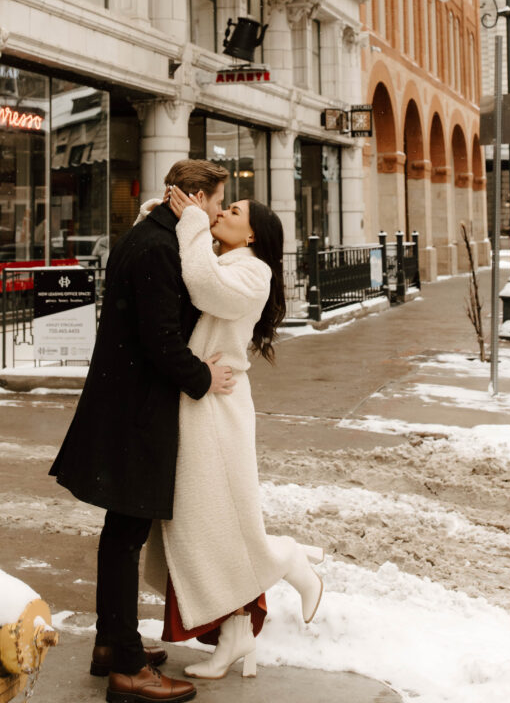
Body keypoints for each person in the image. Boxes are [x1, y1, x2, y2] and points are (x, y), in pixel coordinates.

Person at [49, 159, 234, 703]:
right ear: (195, 198)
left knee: (121, 534)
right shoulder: (157, 247)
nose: (221, 212)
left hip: (124, 404)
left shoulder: (149, 234)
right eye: (218, 201)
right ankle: (128, 670)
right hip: (136, 412)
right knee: (125, 536)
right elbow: (160, 337)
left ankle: (113, 645)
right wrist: (204, 376)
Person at [141, 185, 324, 681]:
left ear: (253, 234)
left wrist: (194, 222)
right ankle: (235, 633)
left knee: (214, 518)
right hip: (203, 398)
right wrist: (166, 213)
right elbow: (184, 268)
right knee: (205, 520)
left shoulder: (253, 270)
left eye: (235, 211)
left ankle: (284, 558)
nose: (222, 211)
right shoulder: (226, 260)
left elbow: (202, 287)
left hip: (219, 408)